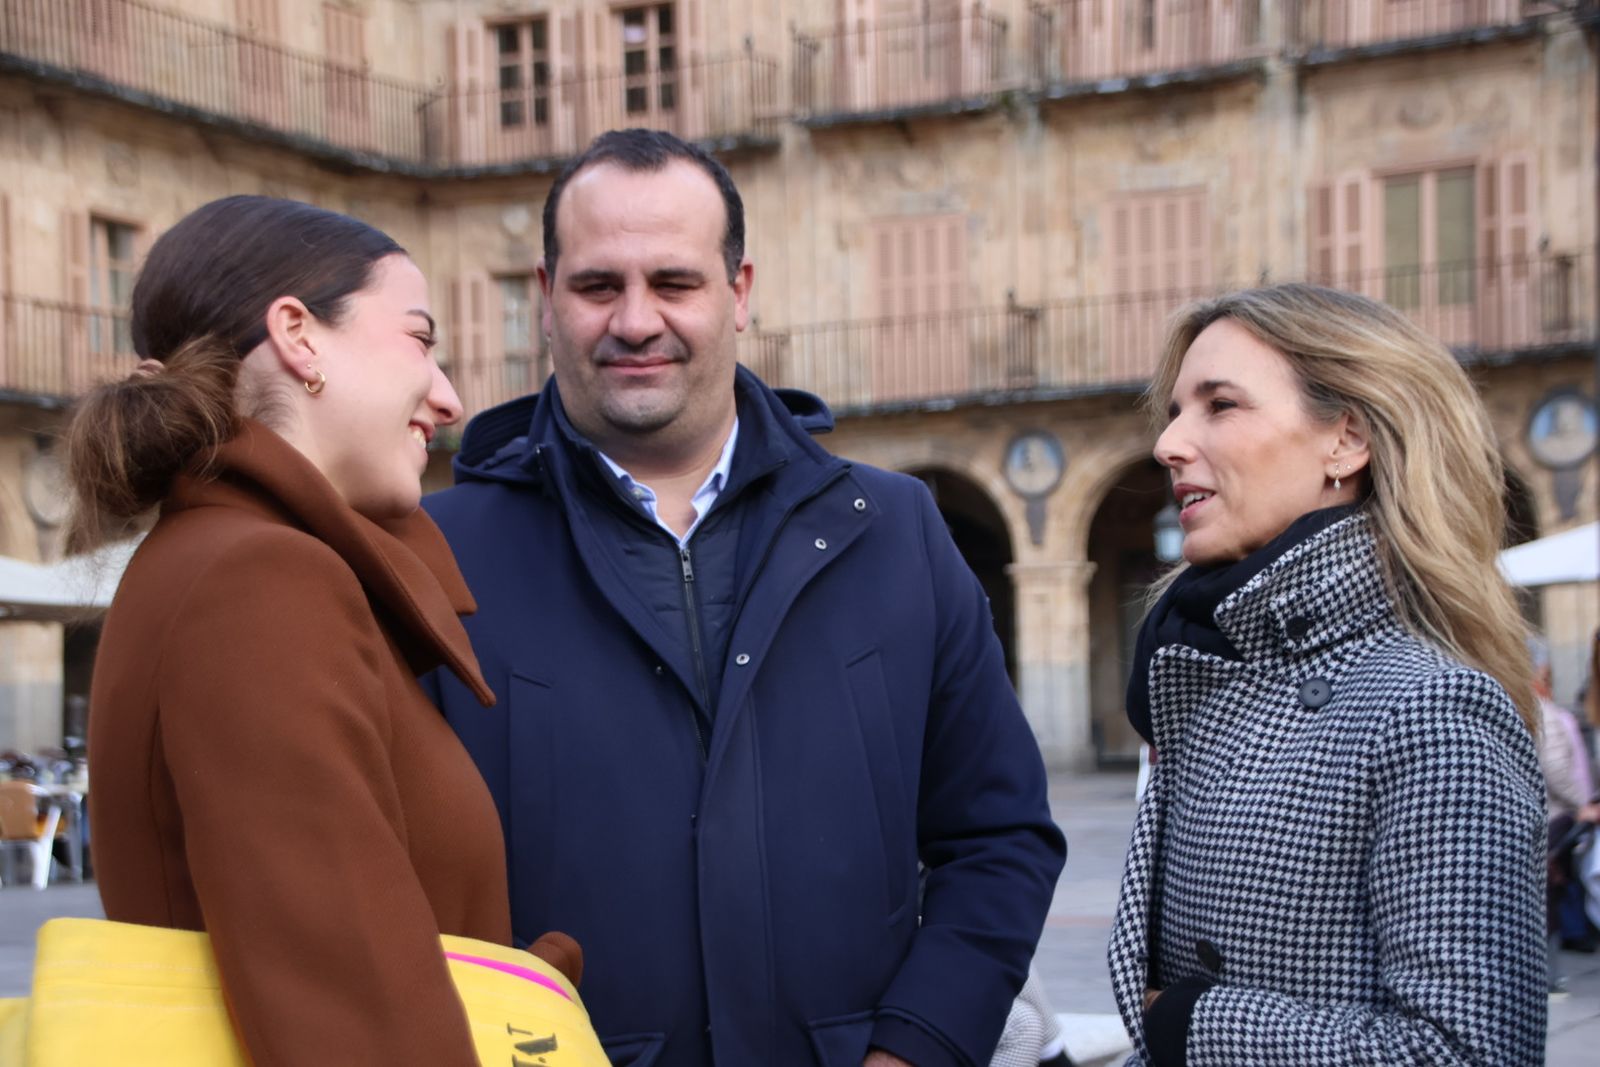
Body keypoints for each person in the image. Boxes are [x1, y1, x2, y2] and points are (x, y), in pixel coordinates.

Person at [422, 128, 1066, 1067]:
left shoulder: (895, 531)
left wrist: (915, 1048)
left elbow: (1000, 836)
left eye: (674, 283)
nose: (635, 320)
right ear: (546, 299)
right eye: (599, 285)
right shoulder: (439, 558)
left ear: (740, 291)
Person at [66, 195, 579, 1066]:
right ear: (299, 334)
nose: (449, 398)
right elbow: (349, 1016)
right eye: (420, 339)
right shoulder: (260, 582)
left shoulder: (220, 560)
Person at [1110, 284, 1546, 1065]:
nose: (1169, 443)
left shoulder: (1431, 709)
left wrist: (1191, 1023)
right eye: (1177, 409)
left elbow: (1467, 1051)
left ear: (1345, 441)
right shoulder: (1209, 672)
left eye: (1220, 405)